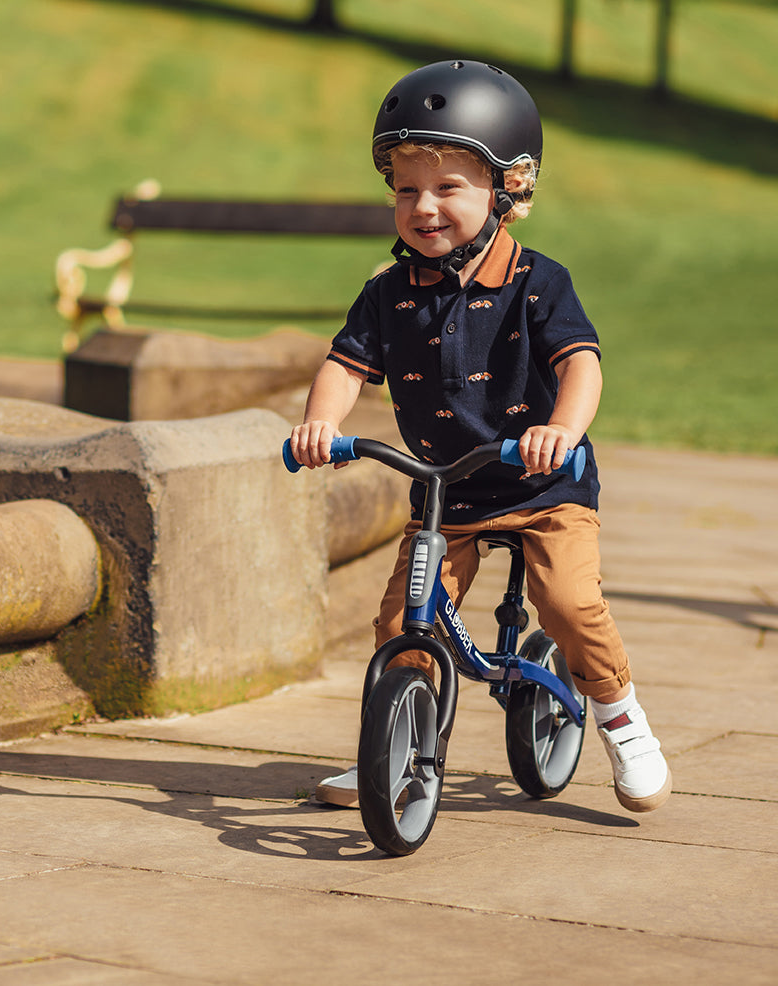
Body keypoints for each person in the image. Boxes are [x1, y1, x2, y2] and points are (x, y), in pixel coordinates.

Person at [287, 60, 671, 813]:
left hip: (542, 483)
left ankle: (622, 719)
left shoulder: (538, 281)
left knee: (565, 601)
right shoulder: (388, 294)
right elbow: (343, 364)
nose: (422, 207)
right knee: (404, 621)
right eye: (405, 189)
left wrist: (560, 429)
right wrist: (320, 425)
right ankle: (392, 749)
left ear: (509, 189)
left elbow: (581, 365)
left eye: (447, 188)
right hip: (448, 492)